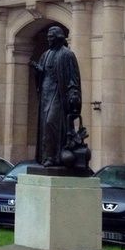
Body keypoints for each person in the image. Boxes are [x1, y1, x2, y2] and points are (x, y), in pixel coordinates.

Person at [31, 25, 82, 168]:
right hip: (46, 93)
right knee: (44, 125)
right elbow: (42, 75)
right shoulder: (45, 54)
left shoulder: (67, 54)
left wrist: (73, 94)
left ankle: (53, 157)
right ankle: (47, 156)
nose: (49, 40)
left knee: (50, 123)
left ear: (59, 38)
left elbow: (73, 78)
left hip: (58, 94)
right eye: (48, 38)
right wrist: (38, 71)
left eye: (51, 38)